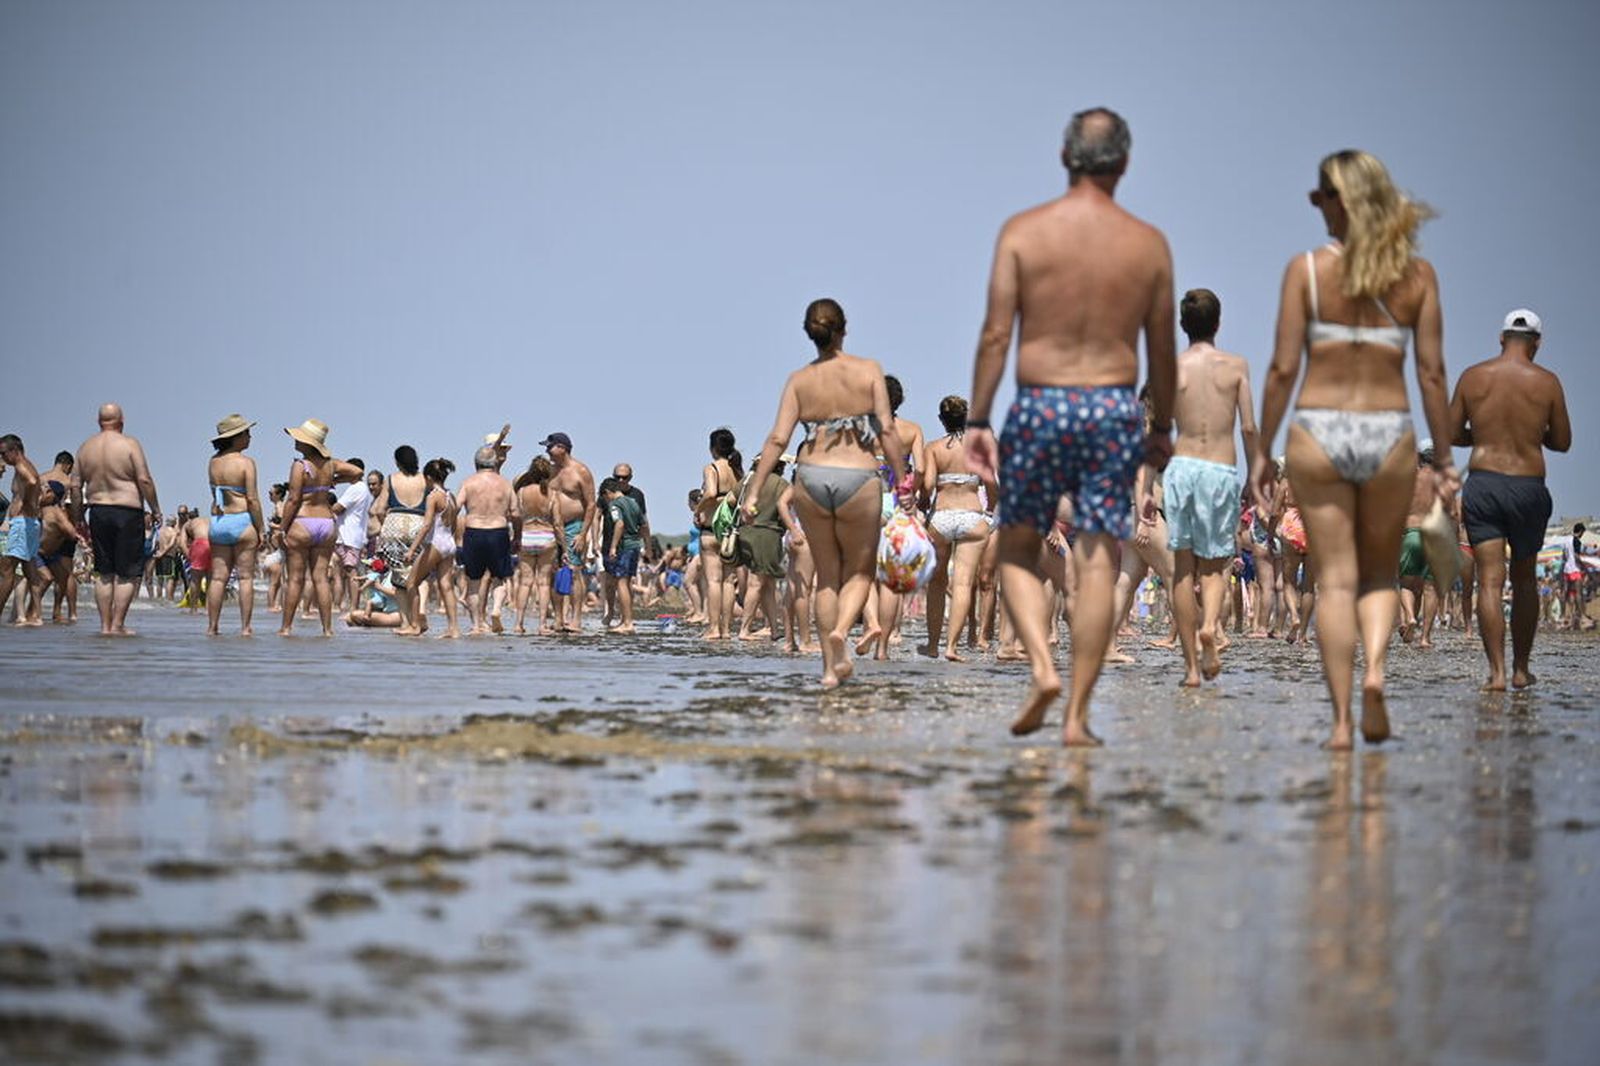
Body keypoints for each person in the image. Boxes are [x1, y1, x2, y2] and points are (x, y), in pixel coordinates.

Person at [964, 108, 1176, 745]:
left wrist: (979, 417)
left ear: (1064, 157)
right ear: (1126, 163)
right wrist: (1161, 427)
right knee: (1097, 563)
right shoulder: (1148, 245)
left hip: (1041, 404)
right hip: (1112, 409)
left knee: (1017, 548)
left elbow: (996, 333)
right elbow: (1162, 353)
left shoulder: (1024, 233)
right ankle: (1078, 716)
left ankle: (1040, 666)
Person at [1252, 149, 1456, 750]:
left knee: (1336, 582)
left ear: (1335, 202)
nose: (1315, 207)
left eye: (1319, 197)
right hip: (1388, 430)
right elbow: (1432, 374)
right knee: (1378, 573)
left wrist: (1262, 451)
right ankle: (1374, 676)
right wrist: (1445, 459)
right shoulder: (1417, 277)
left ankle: (1341, 721)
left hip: (1319, 428)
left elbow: (1283, 369)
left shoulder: (1308, 272)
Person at [745, 298, 908, 688]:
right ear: (844, 329)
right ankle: (841, 633)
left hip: (811, 476)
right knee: (860, 570)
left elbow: (778, 438)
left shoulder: (799, 380)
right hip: (858, 475)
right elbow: (886, 430)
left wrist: (753, 491)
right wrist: (903, 480)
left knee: (826, 576)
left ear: (809, 333)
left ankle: (829, 670)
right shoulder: (868, 371)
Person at [1450, 309, 1571, 685]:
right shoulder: (1547, 382)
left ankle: (1496, 673)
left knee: (1489, 580)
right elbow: (1562, 441)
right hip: (1527, 486)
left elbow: (1451, 432)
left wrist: (1482, 435)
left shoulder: (1473, 376)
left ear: (1501, 338)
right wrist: (1531, 433)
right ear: (1537, 343)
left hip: (1484, 483)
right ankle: (1520, 669)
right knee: (1524, 580)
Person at [1163, 289, 1258, 685]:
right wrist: (1255, 473)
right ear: (1217, 323)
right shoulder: (1236, 366)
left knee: (1182, 570)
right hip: (1219, 467)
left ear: (1183, 325)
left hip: (1182, 466)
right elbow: (1248, 427)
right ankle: (1209, 628)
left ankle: (1190, 668)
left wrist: (1147, 487)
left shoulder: (1172, 368)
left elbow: (1157, 428)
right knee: (1216, 563)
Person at [70, 404, 161, 636]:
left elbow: (75, 486)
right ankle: (118, 624)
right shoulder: (129, 444)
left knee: (104, 572)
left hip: (98, 511)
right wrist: (155, 509)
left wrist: (78, 516)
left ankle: (104, 626)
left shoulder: (85, 448)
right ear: (121, 421)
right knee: (127, 573)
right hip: (127, 511)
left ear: (99, 421)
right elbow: (144, 479)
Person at [920, 396, 998, 661]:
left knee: (937, 582)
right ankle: (952, 647)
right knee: (963, 583)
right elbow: (992, 485)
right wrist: (989, 512)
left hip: (941, 516)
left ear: (941, 420)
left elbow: (928, 485)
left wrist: (922, 502)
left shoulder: (933, 448)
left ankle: (933, 645)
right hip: (972, 516)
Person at [278, 419, 362, 636]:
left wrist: (281, 528)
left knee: (295, 578)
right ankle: (327, 629)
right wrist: (334, 481)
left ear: (307, 443)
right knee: (321, 578)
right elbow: (357, 472)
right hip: (326, 523)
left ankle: (286, 628)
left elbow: (293, 499)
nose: (295, 440)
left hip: (303, 521)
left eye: (299, 438)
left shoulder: (300, 465)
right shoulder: (330, 464)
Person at [202, 415, 267, 636]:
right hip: (242, 520)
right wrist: (261, 529)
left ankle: (212, 627)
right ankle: (245, 628)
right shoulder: (246, 463)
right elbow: (253, 500)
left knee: (218, 578)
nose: (250, 437)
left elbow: (215, 494)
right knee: (245, 577)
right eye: (246, 433)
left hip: (219, 522)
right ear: (235, 437)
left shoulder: (213, 462)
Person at [455, 445, 521, 636]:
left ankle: (476, 625)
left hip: (474, 531)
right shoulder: (505, 484)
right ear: (494, 463)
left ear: (475, 463)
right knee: (500, 578)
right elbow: (516, 513)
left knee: (474, 581)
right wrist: (517, 535)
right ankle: (496, 609)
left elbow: (456, 507)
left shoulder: (468, 482)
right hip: (498, 531)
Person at [371, 445, 430, 632]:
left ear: (397, 462)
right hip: (418, 524)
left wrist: (386, 525)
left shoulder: (391, 479)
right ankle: (418, 617)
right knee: (415, 577)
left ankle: (406, 623)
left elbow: (379, 509)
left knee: (398, 578)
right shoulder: (424, 479)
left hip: (394, 524)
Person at [402, 458, 461, 638]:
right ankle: (454, 628)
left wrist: (412, 549)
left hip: (436, 543)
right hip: (449, 542)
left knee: (411, 583)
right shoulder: (451, 496)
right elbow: (455, 522)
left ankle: (415, 625)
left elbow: (427, 525)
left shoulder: (433, 496)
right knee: (446, 586)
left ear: (428, 477)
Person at [733, 457, 791, 641]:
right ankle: (744, 629)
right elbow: (785, 508)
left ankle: (773, 629)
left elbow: (731, 500)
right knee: (757, 582)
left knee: (768, 583)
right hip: (767, 534)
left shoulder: (749, 480)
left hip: (746, 532)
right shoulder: (781, 483)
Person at [693, 428, 743, 641]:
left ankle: (714, 628)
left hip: (711, 530)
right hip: (731, 531)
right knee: (729, 582)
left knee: (713, 581)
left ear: (713, 448)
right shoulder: (737, 470)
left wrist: (698, 510)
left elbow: (711, 493)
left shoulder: (711, 468)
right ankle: (726, 629)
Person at [542, 432, 595, 633]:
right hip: (551, 527)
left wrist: (583, 534)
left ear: (562, 448)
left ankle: (576, 619)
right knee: (554, 572)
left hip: (574, 526)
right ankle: (558, 619)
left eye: (550, 447)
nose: (547, 451)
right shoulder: (549, 471)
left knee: (573, 571)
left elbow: (591, 504)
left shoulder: (580, 471)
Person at [512, 456, 567, 635]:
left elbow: (515, 516)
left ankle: (518, 624)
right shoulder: (552, 494)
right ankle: (542, 625)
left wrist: (516, 537)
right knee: (544, 583)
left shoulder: (521, 492)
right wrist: (564, 548)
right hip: (546, 538)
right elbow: (558, 524)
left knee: (525, 582)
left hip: (526, 537)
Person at [1397, 441, 1443, 647]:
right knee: (1431, 589)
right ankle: (1425, 638)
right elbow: (1452, 513)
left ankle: (1410, 617)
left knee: (1406, 584)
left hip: (1411, 533)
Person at [0, 435, 44, 625]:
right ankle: (37, 616)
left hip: (22, 523)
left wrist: (25, 503)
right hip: (30, 523)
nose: (2, 457)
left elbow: (33, 482)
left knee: (6, 570)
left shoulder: (21, 467)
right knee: (30, 569)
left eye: (3, 453)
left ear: (14, 450)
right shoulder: (27, 465)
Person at [601, 463, 652, 627]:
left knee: (621, 583)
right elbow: (644, 525)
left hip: (623, 547)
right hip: (635, 546)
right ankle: (626, 619)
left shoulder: (615, 505)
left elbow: (619, 524)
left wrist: (613, 546)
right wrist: (648, 546)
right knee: (627, 582)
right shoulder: (633, 502)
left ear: (608, 492)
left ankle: (627, 623)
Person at [330, 457, 370, 613]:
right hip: (348, 536)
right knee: (344, 573)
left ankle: (353, 608)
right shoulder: (360, 488)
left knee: (350, 572)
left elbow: (337, 508)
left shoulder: (357, 488)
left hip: (349, 537)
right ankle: (343, 606)